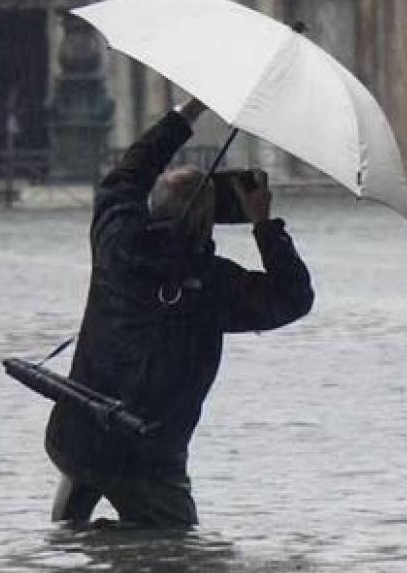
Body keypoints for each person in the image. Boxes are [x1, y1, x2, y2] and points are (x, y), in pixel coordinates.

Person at [44, 98, 315, 529]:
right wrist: (264, 224)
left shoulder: (117, 243)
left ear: (153, 204)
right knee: (177, 552)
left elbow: (126, 175)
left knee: (69, 532)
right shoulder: (217, 286)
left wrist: (187, 113)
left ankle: (88, 551)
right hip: (150, 462)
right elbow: (294, 296)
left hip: (77, 436)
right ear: (211, 222)